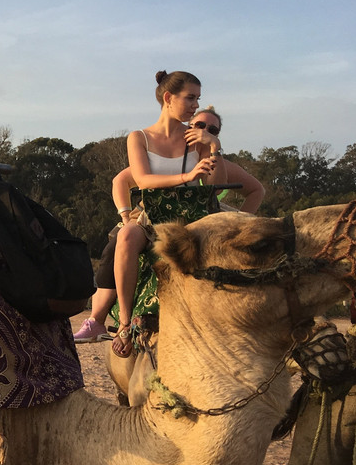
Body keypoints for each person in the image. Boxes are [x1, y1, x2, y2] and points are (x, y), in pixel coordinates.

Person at [73, 109, 263, 344]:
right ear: (187, 126)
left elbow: (240, 187)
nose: (204, 132)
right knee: (118, 245)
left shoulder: (211, 155)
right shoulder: (159, 151)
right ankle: (100, 319)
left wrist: (242, 219)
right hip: (154, 214)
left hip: (199, 215)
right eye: (199, 125)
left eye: (212, 130)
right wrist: (125, 215)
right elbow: (122, 179)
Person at [110, 74, 254, 357]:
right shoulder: (139, 137)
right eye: (190, 97)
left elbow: (215, 187)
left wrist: (213, 146)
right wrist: (186, 175)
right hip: (153, 215)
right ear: (168, 98)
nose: (195, 105)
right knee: (126, 235)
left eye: (197, 98)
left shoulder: (196, 138)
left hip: (193, 217)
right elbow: (143, 179)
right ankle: (125, 322)